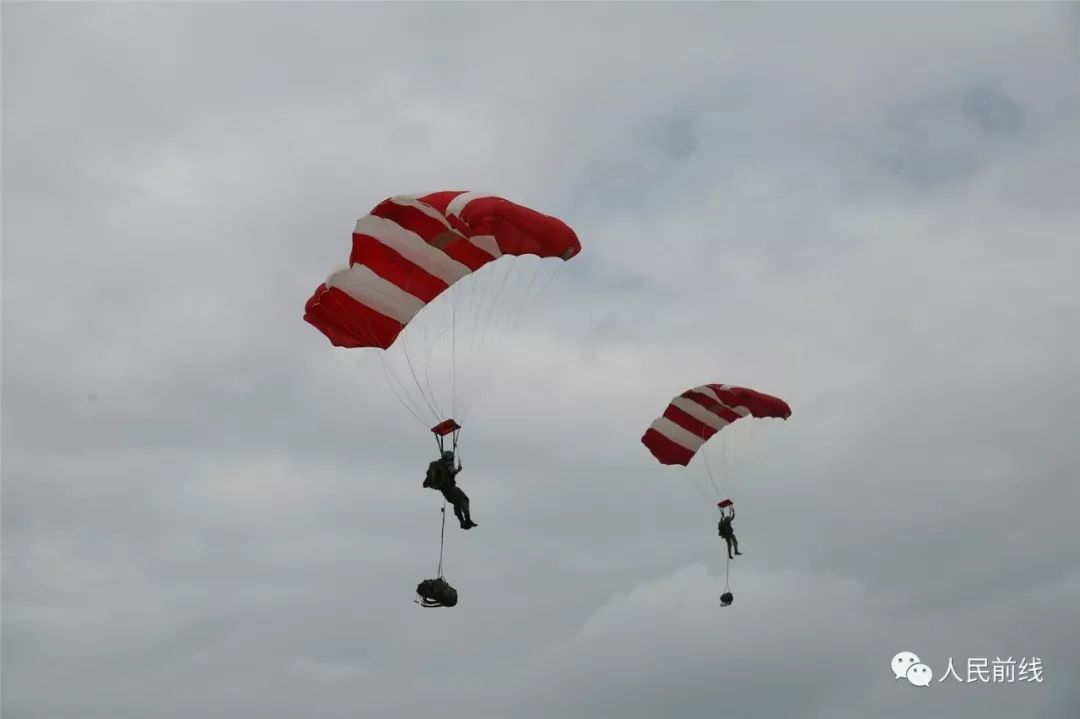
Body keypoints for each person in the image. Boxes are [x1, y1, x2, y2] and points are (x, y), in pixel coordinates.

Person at [423, 450, 477, 530]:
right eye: (452, 458)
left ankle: (463, 522)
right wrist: (459, 469)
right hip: (450, 489)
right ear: (449, 457)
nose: (452, 459)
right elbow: (453, 471)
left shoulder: (437, 464)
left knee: (458, 503)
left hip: (446, 491)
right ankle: (467, 520)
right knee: (464, 500)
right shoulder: (448, 464)